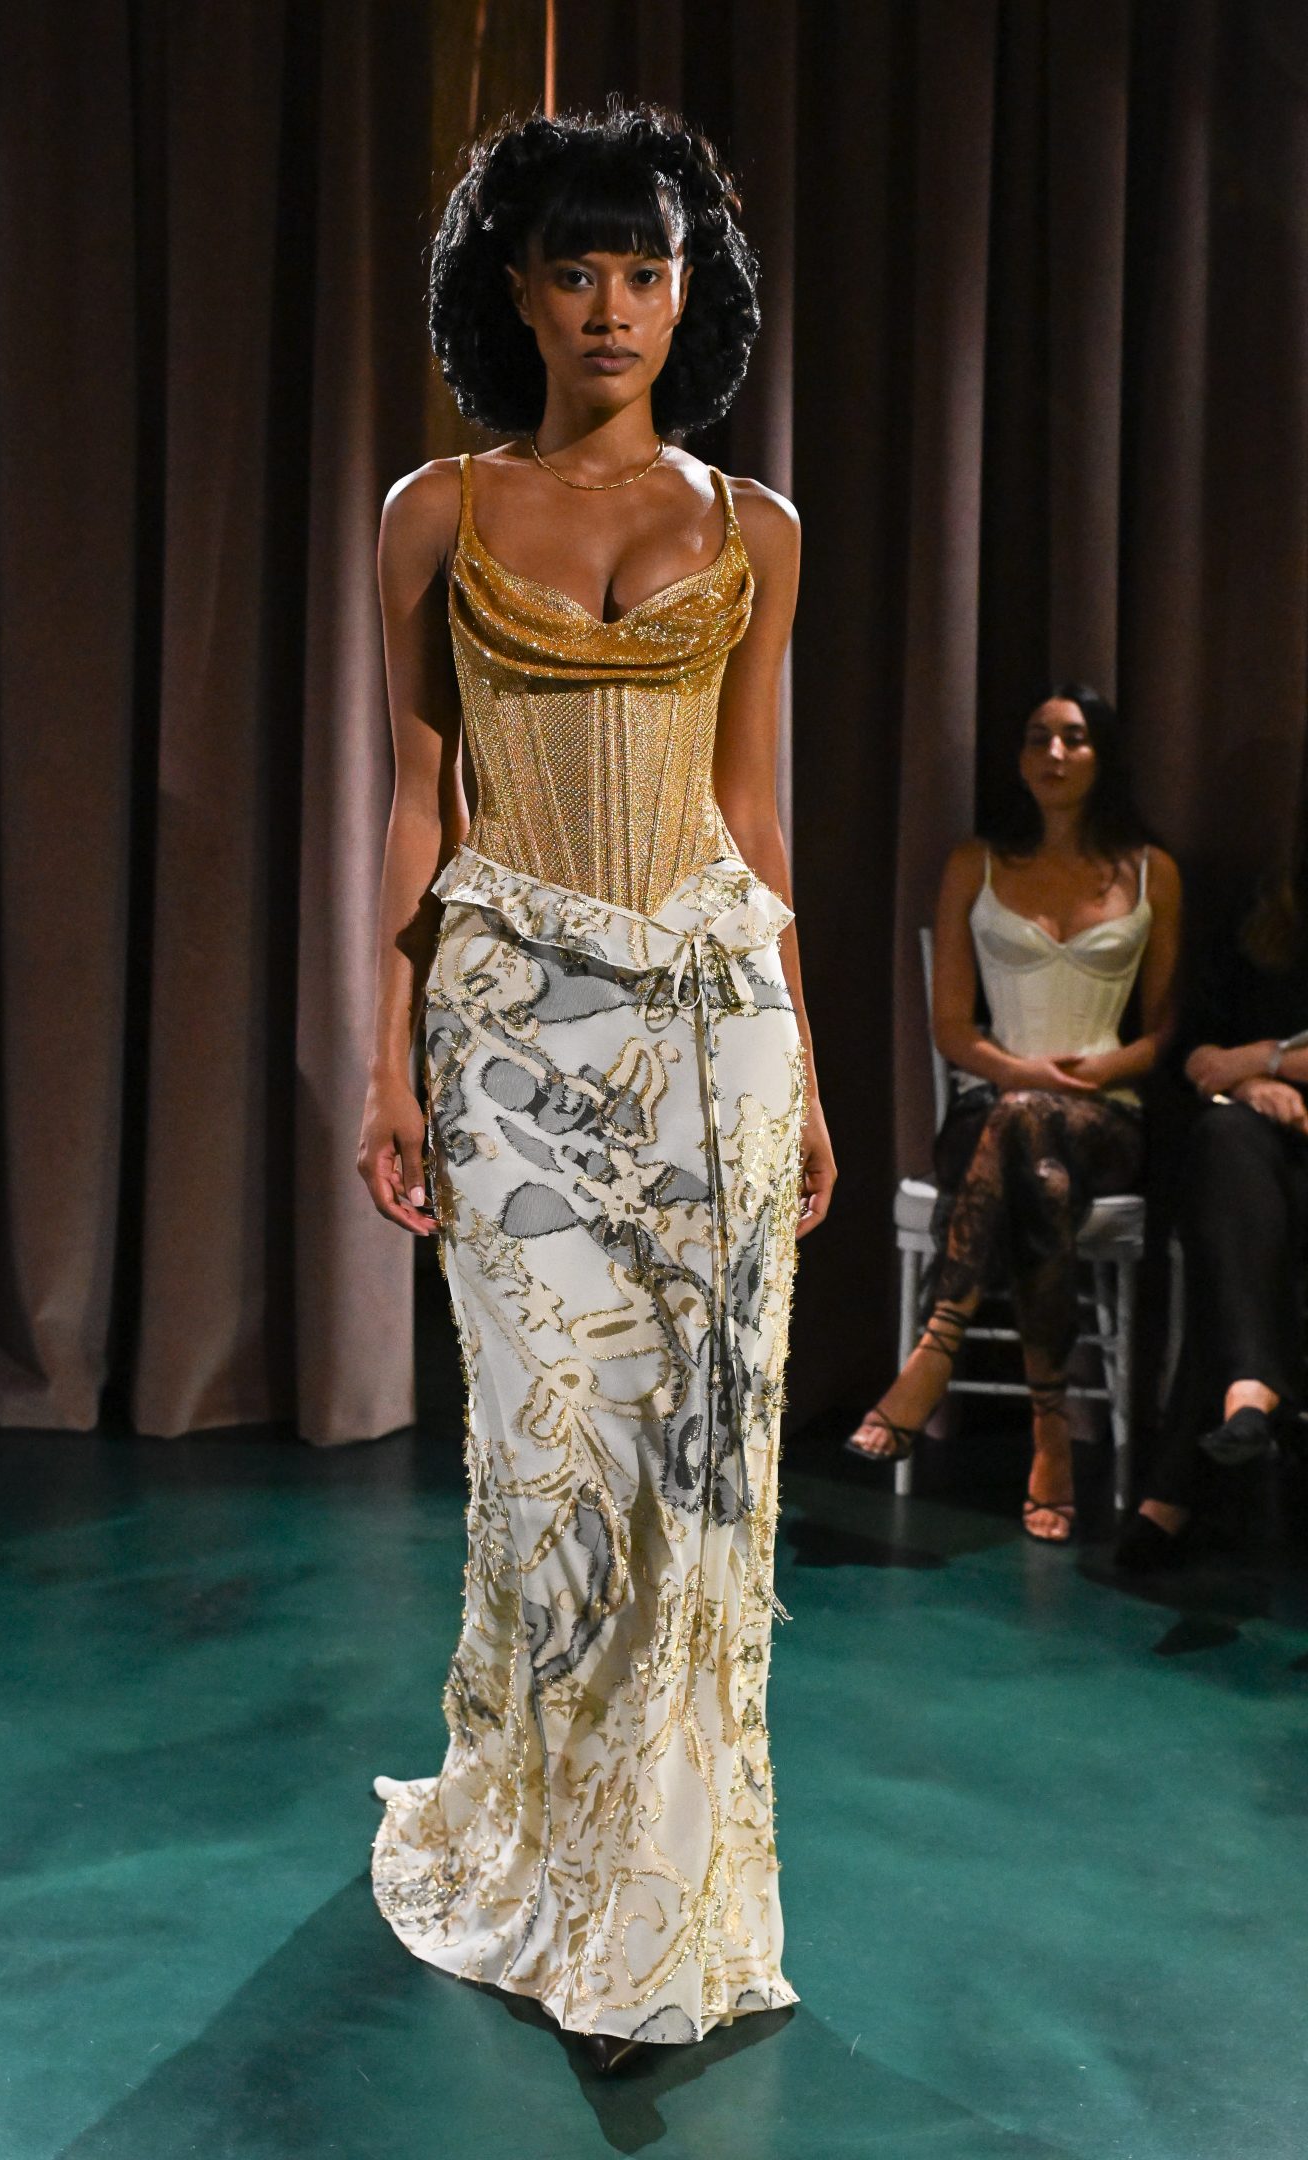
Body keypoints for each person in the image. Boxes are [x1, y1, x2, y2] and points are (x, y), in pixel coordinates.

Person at [355, 105, 834, 2071]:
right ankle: (541, 1852)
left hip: (716, 1021)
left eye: (647, 268)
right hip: (512, 1024)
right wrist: (389, 1060)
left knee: (704, 1474)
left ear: (691, 291)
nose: (615, 305)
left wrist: (808, 1070)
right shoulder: (438, 510)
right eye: (579, 268)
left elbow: (755, 816)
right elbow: (417, 801)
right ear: (520, 291)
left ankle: (658, 1919)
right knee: (559, 1457)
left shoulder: (757, 529)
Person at [846, 687, 1181, 1541]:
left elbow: (1165, 1029)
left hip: (1104, 1116)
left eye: (1074, 738)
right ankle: (1052, 1433)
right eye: (1038, 738)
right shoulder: (977, 863)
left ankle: (937, 1346)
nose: (1054, 754)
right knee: (1035, 1159)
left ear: (1103, 755)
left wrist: (1102, 1069)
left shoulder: (1152, 870)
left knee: (1037, 1145)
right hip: (992, 1105)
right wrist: (1024, 1073)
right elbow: (953, 1029)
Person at [1116, 858, 1308, 1571]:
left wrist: (1263, 1060)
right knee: (1224, 1143)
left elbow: (1231, 1057)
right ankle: (1249, 1389)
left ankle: (1177, 1483)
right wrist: (1246, 1085)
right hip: (1263, 1157)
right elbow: (1195, 1051)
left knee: (1232, 1246)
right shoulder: (1269, 916)